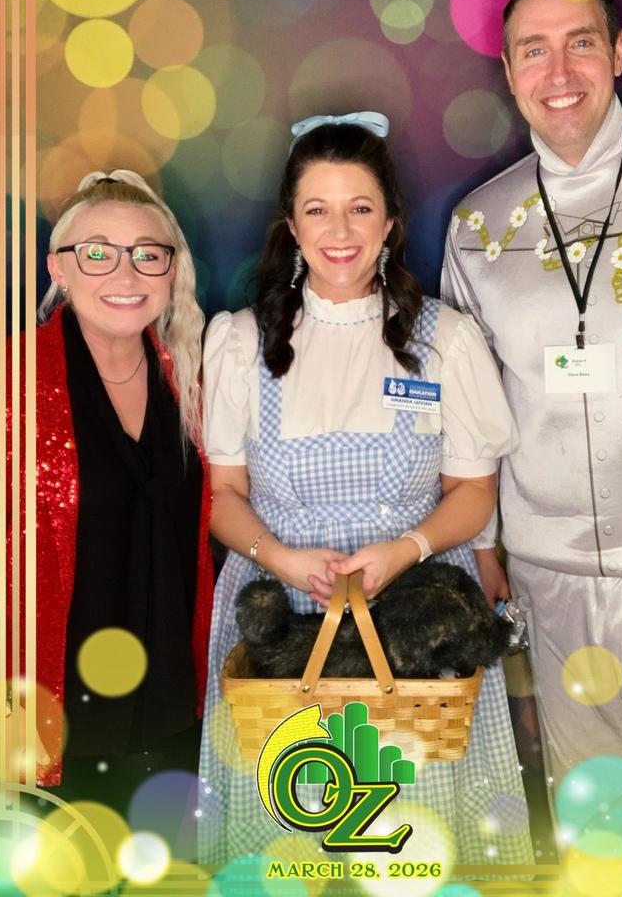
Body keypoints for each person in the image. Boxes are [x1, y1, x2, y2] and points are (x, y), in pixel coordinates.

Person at [198, 113, 533, 868]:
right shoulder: (242, 342)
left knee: (409, 846)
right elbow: (221, 497)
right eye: (317, 208)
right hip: (280, 616)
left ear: (389, 222)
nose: (339, 229)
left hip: (414, 612)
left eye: (359, 207)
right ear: (291, 224)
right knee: (292, 847)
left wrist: (406, 549)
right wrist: (282, 560)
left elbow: (474, 493)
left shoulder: (443, 338)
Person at [442, 0, 622, 796]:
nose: (558, 72)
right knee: (599, 818)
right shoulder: (475, 227)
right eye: (532, 51)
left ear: (617, 51)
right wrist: (484, 539)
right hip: (547, 573)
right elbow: (469, 407)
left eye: (579, 42)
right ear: (508, 73)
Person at [2, 171, 214, 818]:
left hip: (175, 714)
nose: (125, 273)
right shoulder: (11, 383)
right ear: (58, 269)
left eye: (148, 254)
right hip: (54, 725)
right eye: (97, 253)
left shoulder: (194, 377)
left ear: (171, 270)